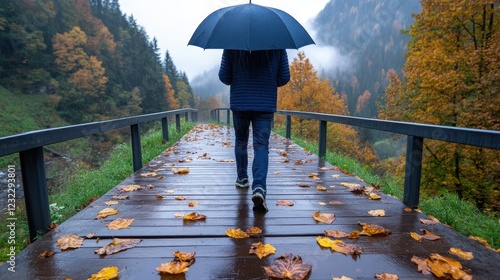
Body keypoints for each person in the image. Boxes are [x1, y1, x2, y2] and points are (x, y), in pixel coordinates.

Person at [218, 49, 290, 212]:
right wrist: (268, 78)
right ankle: (259, 188)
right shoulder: (277, 43)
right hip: (264, 103)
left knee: (241, 141)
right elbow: (283, 78)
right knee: (261, 146)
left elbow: (225, 77)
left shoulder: (232, 43)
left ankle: (242, 179)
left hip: (240, 101)